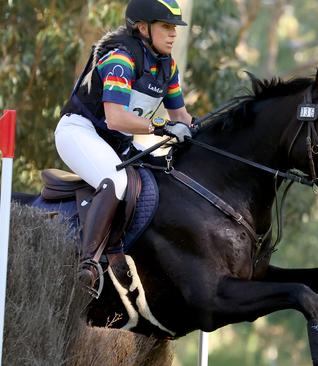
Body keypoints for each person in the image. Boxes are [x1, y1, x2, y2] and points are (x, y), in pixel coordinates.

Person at [55, 0, 193, 288]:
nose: (173, 34)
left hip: (116, 142)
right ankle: (89, 263)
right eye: (166, 27)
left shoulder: (168, 67)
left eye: (174, 28)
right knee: (116, 181)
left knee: (163, 175)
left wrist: (204, 129)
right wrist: (162, 127)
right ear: (143, 28)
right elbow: (116, 118)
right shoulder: (121, 59)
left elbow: (181, 116)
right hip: (79, 132)